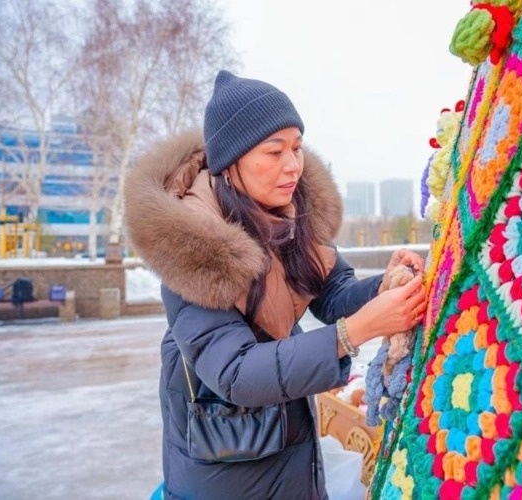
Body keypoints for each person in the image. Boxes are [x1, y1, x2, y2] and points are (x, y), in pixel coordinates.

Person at [123, 70, 427, 499]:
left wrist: (383, 287)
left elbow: (334, 292)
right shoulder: (194, 249)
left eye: (298, 148)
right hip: (226, 475)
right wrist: (354, 332)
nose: (293, 165)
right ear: (232, 163)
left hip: (288, 456)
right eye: (275, 151)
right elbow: (238, 372)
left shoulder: (286, 218)